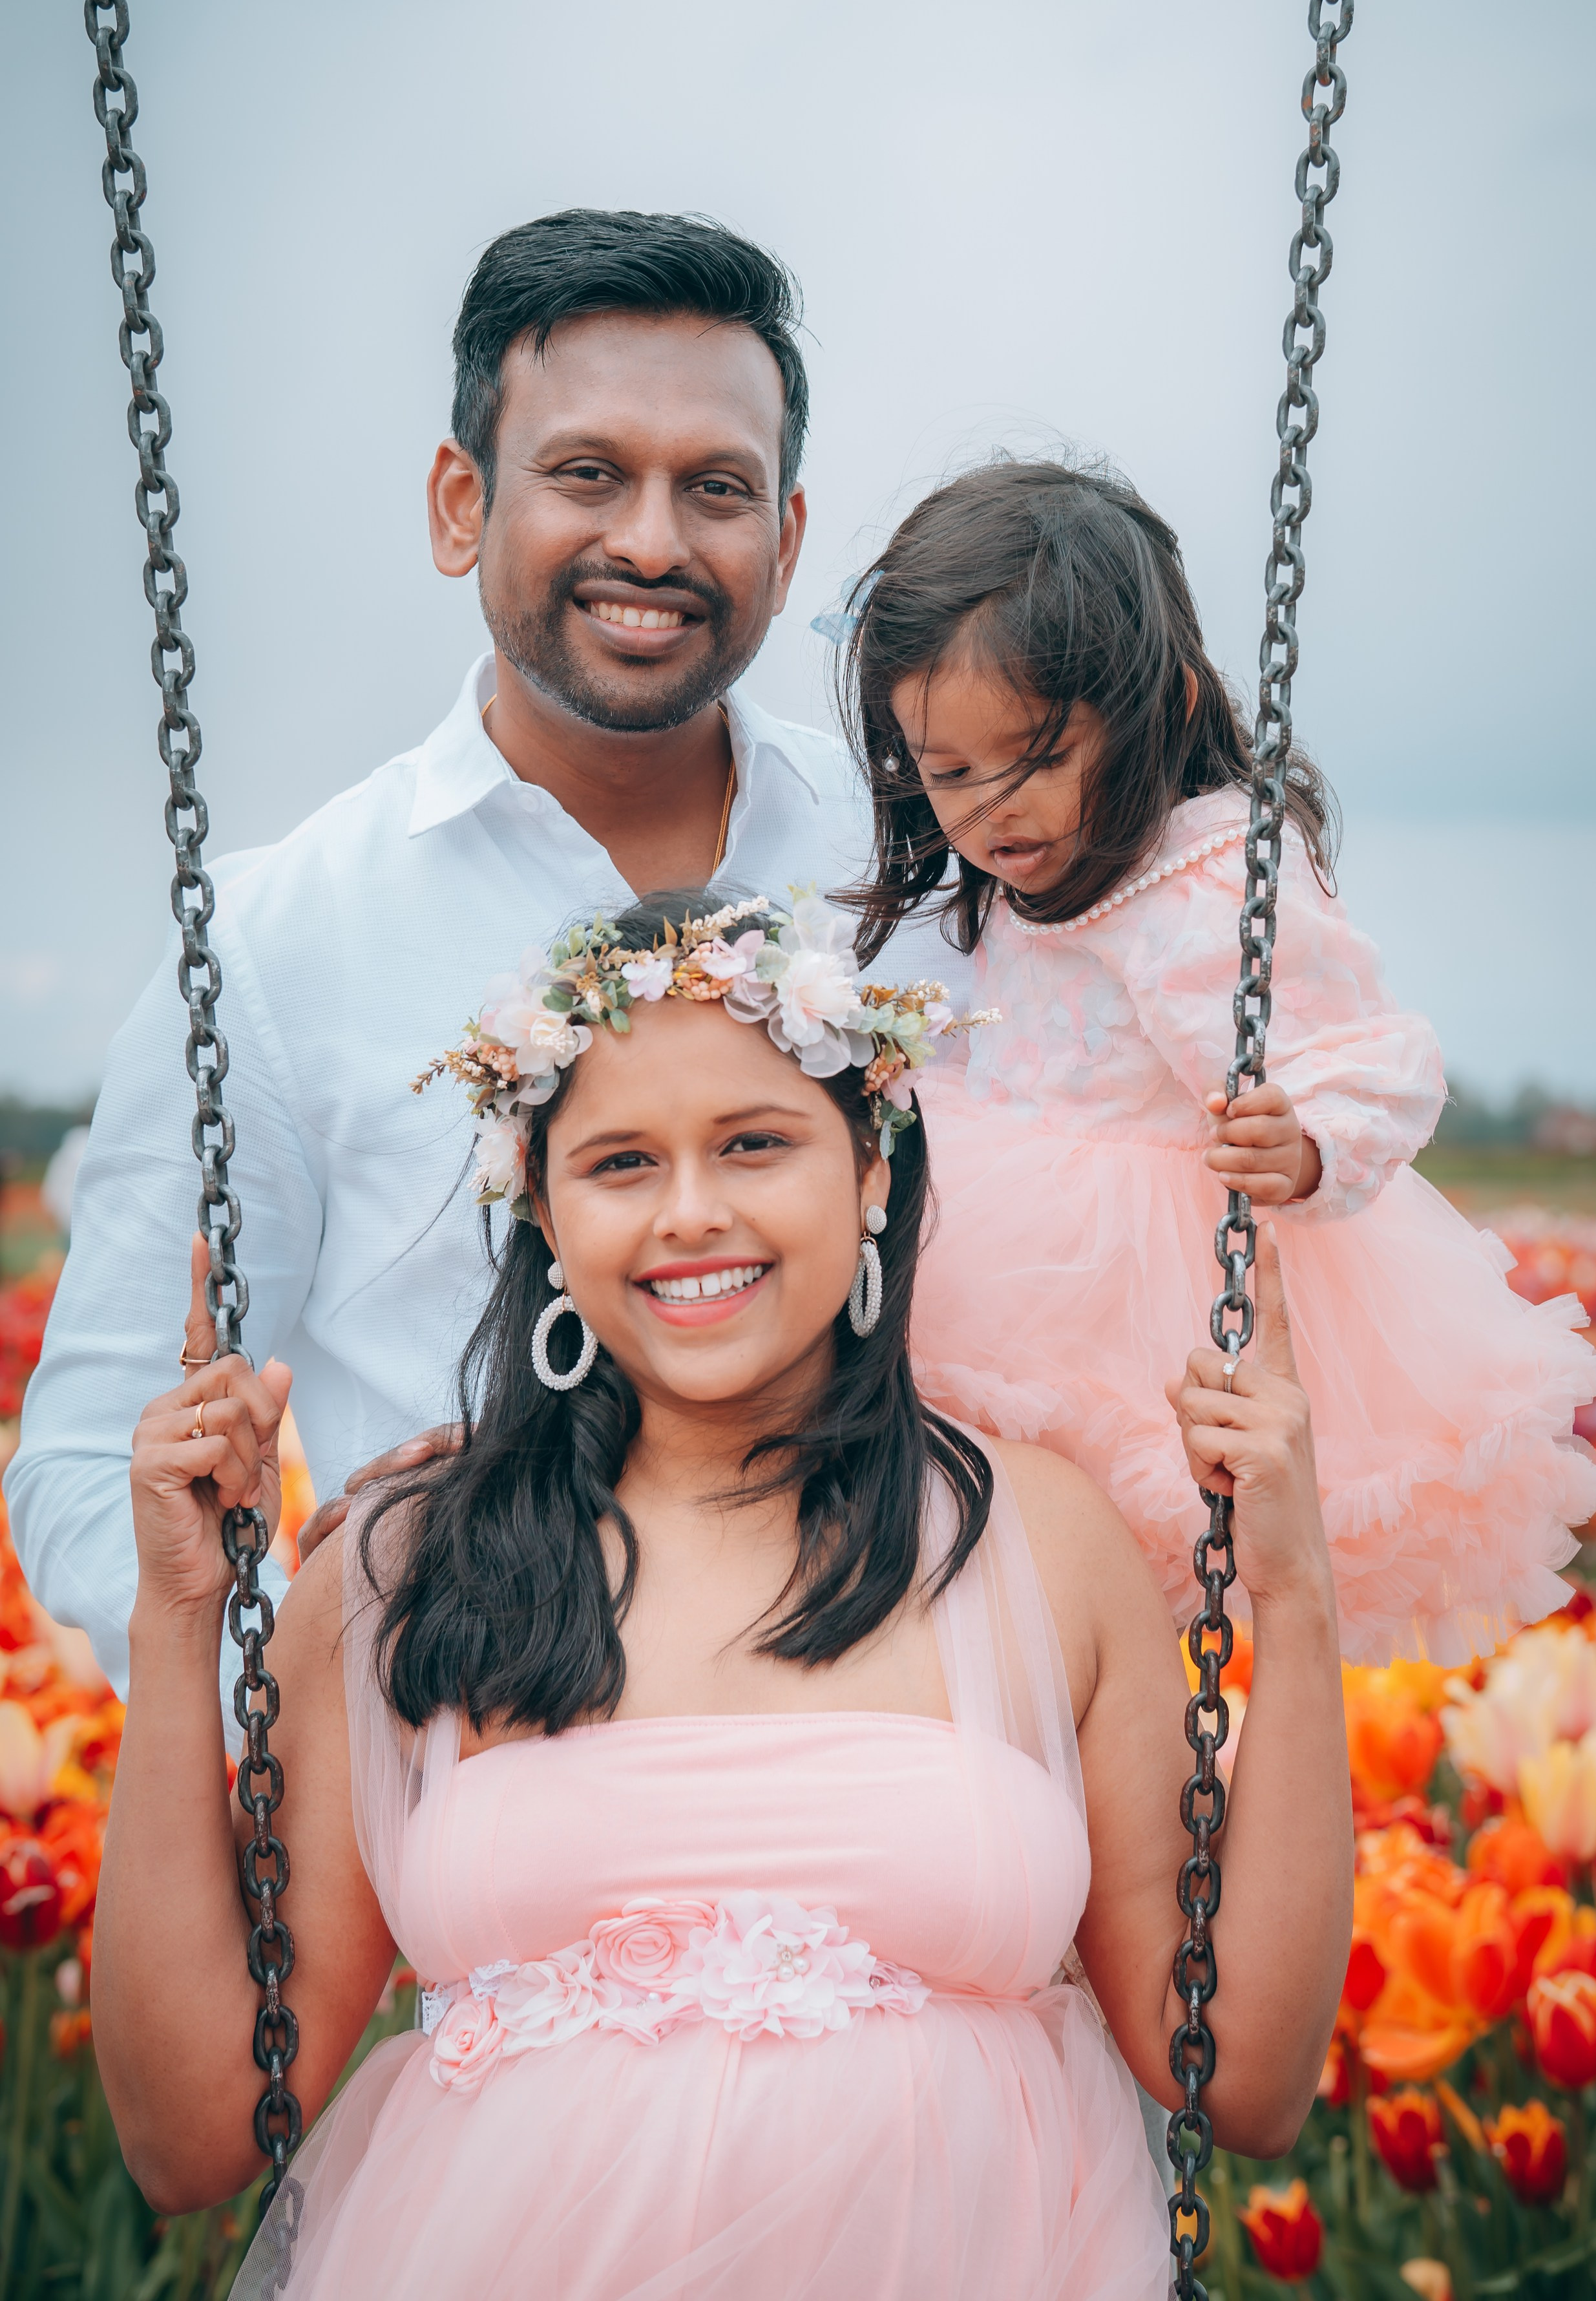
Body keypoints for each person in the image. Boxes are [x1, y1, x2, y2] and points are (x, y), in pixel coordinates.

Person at [94, 888, 1351, 2301]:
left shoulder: (1038, 1544)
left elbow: (1241, 2081)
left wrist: (1294, 1599)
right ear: (545, 1208)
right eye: (621, 1160)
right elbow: (193, 2135)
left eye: (757, 1142)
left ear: (872, 1165)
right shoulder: (408, 1567)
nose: (693, 1213)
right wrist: (180, 1611)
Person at [10, 209, 965, 1699]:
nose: (651, 539)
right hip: (481, 1793)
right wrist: (339, 1701)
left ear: (782, 539)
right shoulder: (277, 942)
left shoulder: (926, 864)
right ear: (461, 503)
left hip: (916, 1769)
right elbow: (83, 1464)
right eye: (587, 473)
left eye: (715, 487)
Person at [841, 458, 1596, 1666]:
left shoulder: (1207, 878)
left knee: (1136, 1578)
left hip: (1159, 1302)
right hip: (992, 1274)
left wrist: (1304, 1141)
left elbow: (1376, 1054)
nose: (990, 810)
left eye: (1034, 757)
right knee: (992, 1566)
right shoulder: (985, 893)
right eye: (948, 773)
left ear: (1155, 708)